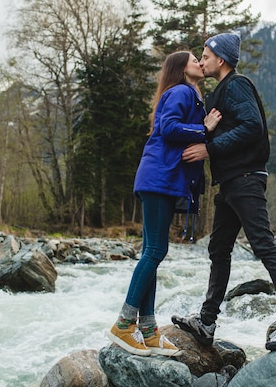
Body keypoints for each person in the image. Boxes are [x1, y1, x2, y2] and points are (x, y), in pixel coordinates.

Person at [172, 33, 276, 351]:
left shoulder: (236, 84)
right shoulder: (220, 91)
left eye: (205, 56)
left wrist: (209, 148)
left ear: (221, 60)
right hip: (231, 183)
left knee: (264, 246)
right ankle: (206, 322)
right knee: (218, 250)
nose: (202, 60)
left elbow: (252, 126)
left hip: (246, 179)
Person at [107, 51, 222, 357]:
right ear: (180, 68)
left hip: (161, 180)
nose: (199, 61)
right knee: (156, 251)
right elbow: (168, 127)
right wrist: (204, 129)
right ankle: (123, 324)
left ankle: (148, 330)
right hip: (159, 179)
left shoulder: (191, 94)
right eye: (194, 58)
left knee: (153, 253)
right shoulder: (181, 91)